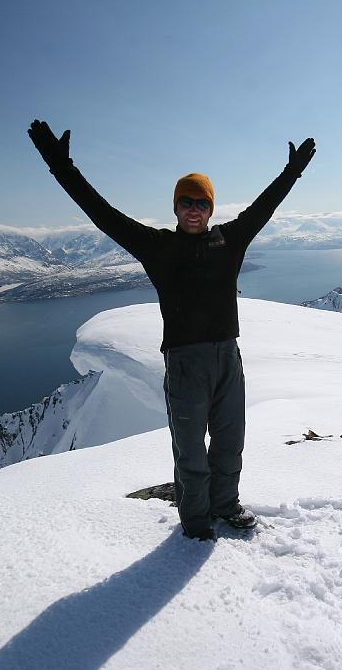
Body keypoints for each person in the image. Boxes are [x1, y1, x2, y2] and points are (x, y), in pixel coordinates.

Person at [28, 119, 316, 540]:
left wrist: (292, 171)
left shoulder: (229, 241)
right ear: (175, 208)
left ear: (211, 208)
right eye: (185, 201)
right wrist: (61, 167)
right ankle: (196, 523)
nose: (193, 208)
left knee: (229, 440)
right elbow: (102, 214)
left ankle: (226, 505)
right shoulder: (158, 247)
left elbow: (264, 207)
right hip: (184, 362)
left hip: (227, 358)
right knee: (190, 451)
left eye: (201, 202)